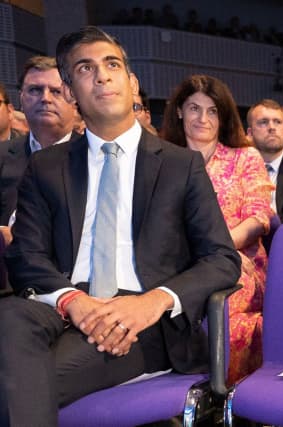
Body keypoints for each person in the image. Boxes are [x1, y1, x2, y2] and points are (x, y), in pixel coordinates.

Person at [0, 27, 240, 426]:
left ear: (132, 83)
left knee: (16, 381)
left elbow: (221, 259)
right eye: (85, 68)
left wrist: (153, 301)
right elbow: (26, 255)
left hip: (143, 323)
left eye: (111, 65)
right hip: (62, 306)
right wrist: (74, 302)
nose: (101, 76)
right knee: (10, 314)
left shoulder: (180, 166)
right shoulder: (47, 167)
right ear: (71, 92)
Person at [161, 75, 274, 383]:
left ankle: (226, 391)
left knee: (220, 296)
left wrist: (216, 249)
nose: (203, 118)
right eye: (194, 108)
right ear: (179, 111)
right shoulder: (162, 160)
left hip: (237, 259)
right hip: (175, 261)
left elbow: (258, 218)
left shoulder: (245, 157)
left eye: (212, 111)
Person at [0, 56, 81, 244]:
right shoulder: (2, 156)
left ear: (75, 101)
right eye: (35, 90)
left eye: (56, 91)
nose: (45, 98)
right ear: (21, 99)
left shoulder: (95, 156)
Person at [247, 99, 283, 223]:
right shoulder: (236, 167)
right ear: (250, 133)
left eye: (278, 122)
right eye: (263, 122)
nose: (272, 127)